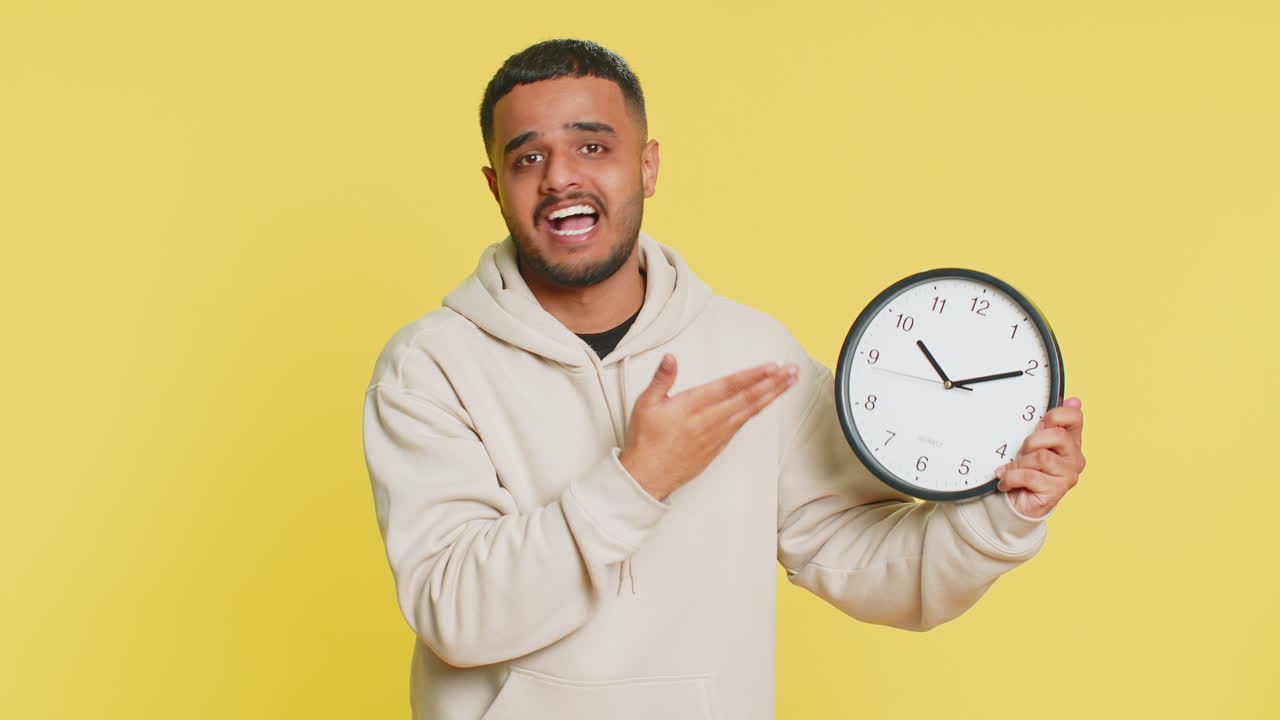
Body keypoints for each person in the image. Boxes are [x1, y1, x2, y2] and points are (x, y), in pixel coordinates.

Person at [362, 39, 1086, 720]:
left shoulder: (750, 351)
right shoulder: (430, 366)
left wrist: (1004, 514)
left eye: (592, 146)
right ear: (495, 186)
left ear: (646, 166)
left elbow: (860, 557)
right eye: (528, 159)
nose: (560, 178)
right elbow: (454, 611)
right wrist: (638, 478)